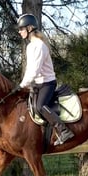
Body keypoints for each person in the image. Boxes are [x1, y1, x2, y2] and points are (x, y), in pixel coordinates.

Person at [16, 13, 74, 146]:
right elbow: (29, 70)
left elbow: (34, 70)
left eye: (21, 29)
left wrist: (22, 85)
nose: (19, 32)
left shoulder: (38, 45)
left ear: (29, 28)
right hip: (38, 84)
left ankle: (63, 130)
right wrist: (23, 84)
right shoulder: (31, 46)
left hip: (47, 83)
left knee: (40, 106)